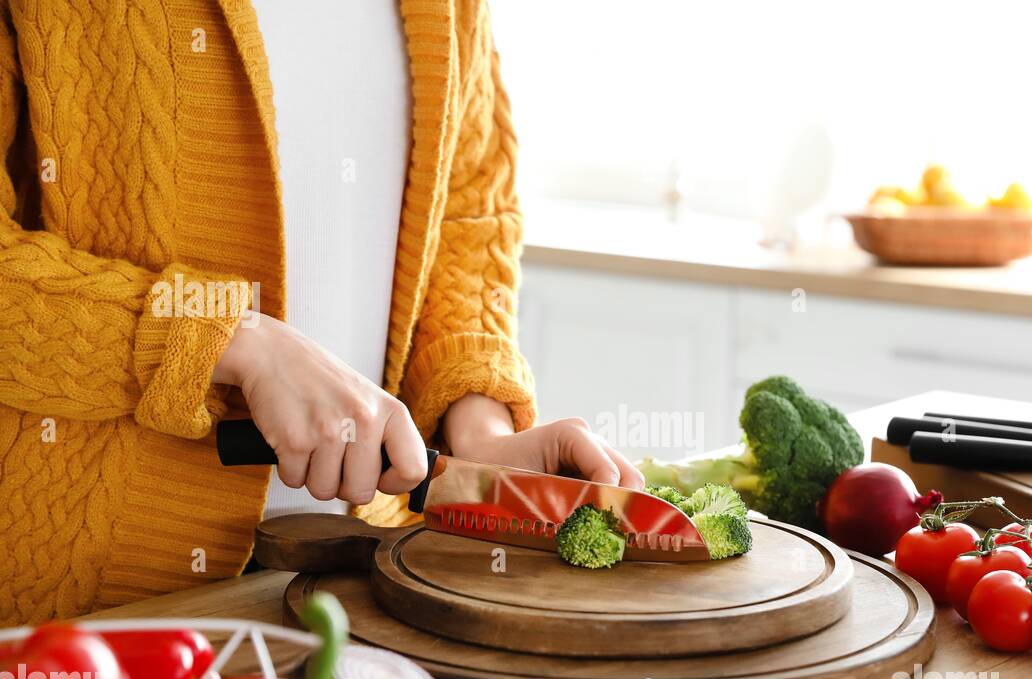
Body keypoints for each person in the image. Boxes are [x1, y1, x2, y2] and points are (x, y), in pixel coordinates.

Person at [0, 0, 640, 626]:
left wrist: (480, 428)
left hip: (368, 588)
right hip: (84, 614)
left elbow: (465, 219)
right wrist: (227, 342)